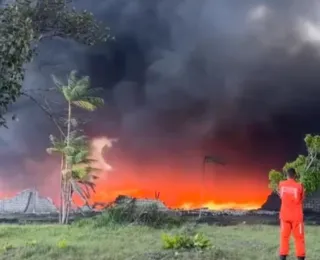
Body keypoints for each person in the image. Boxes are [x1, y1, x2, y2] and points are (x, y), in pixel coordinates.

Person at [278, 168, 305, 260]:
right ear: (295, 175)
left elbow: (281, 196)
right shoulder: (300, 186)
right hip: (297, 217)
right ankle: (300, 257)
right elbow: (302, 199)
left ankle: (282, 257)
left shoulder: (281, 184)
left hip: (285, 216)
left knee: (284, 237)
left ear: (287, 175)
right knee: (299, 239)